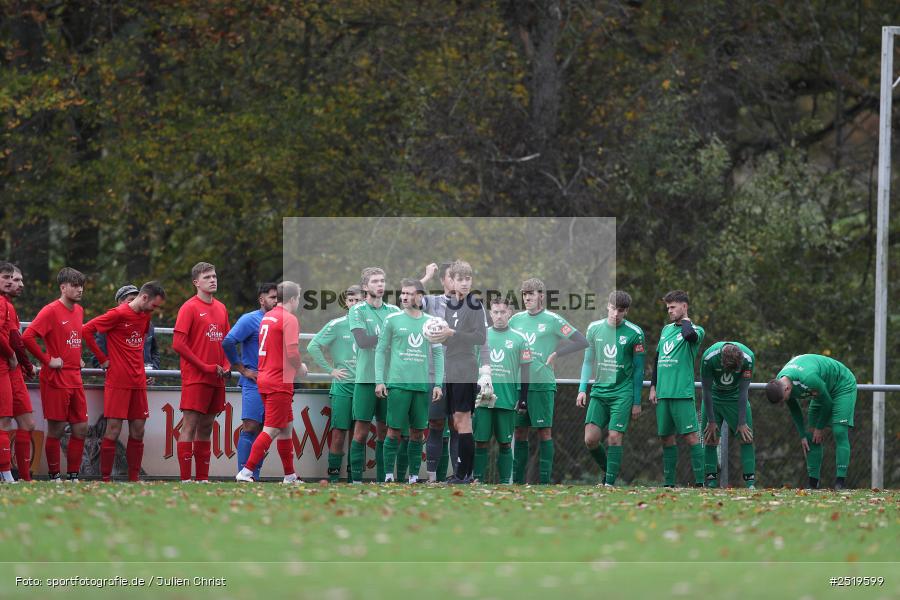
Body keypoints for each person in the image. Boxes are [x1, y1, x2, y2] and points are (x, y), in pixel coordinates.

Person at [83, 282, 166, 481]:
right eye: (154, 305)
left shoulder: (145, 317)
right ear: (144, 298)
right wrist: (102, 360)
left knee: (138, 429)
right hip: (118, 382)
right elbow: (86, 330)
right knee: (113, 429)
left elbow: (140, 346)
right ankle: (105, 479)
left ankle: (134, 478)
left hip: (138, 382)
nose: (154, 310)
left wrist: (146, 368)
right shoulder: (117, 314)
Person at [509, 278, 588, 484]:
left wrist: (557, 353)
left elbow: (582, 341)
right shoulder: (515, 320)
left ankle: (544, 483)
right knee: (519, 432)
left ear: (541, 296)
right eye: (524, 294)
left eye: (531, 294)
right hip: (518, 385)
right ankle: (517, 482)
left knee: (544, 432)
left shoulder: (553, 320)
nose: (527, 298)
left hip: (542, 383)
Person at [423, 260, 488, 483]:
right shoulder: (451, 305)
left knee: (463, 420)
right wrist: (438, 335)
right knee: (455, 422)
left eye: (467, 279)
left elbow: (480, 338)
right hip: (450, 366)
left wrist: (452, 334)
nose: (463, 283)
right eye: (459, 279)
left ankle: (464, 474)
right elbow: (449, 337)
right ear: (451, 280)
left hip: (465, 366)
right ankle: (462, 473)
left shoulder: (475, 304)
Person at [21, 267, 89, 482]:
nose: (80, 290)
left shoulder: (79, 311)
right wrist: (47, 360)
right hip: (55, 379)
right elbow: (28, 337)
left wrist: (76, 356)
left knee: (81, 428)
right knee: (57, 429)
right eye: (75, 286)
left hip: (75, 377)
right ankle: (54, 476)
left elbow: (71, 339)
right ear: (63, 287)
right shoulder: (50, 310)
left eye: (81, 286)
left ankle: (74, 475)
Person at [236, 281, 307, 483]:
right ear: (293, 299)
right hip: (279, 381)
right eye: (299, 298)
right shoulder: (289, 319)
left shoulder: (267, 316)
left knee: (286, 427)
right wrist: (301, 368)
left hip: (265, 377)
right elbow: (292, 352)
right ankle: (246, 471)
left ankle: (290, 475)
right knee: (272, 428)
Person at [375, 279, 444, 483]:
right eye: (402, 293)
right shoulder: (393, 319)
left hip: (421, 386)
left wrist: (438, 384)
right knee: (394, 431)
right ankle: (388, 475)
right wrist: (380, 380)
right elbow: (380, 351)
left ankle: (413, 477)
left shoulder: (431, 322)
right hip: (397, 384)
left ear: (420, 296)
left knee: (417, 433)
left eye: (409, 293)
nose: (404, 297)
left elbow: (438, 355)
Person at [576, 291, 645, 487]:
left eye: (620, 311)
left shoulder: (635, 333)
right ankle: (610, 468)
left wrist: (637, 402)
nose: (616, 314)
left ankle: (609, 483)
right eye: (613, 308)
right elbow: (588, 361)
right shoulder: (594, 329)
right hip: (599, 392)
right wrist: (582, 389)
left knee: (614, 437)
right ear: (608, 306)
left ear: (626, 311)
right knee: (590, 439)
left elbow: (639, 370)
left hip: (622, 393)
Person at [172, 262, 230, 483]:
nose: (213, 280)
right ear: (196, 282)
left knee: (207, 427)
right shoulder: (189, 307)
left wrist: (226, 365)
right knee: (190, 425)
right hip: (196, 377)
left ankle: (203, 479)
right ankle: (186, 479)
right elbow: (178, 343)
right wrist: (204, 367)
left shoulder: (221, 308)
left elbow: (226, 341)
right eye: (207, 277)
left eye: (214, 276)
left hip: (217, 378)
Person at [765, 354, 857, 490]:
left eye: (783, 399)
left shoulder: (809, 379)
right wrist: (802, 435)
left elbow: (828, 403)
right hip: (821, 391)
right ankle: (813, 483)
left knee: (839, 431)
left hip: (842, 385)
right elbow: (795, 409)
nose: (783, 402)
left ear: (787, 389)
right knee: (810, 435)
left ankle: (840, 482)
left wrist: (820, 428)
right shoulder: (781, 381)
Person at [348, 267, 400, 483]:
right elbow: (362, 341)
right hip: (365, 379)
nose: (380, 285)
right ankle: (356, 479)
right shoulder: (357, 310)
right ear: (365, 287)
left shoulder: (394, 311)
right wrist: (387, 340)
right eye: (375, 281)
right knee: (360, 431)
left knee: (385, 430)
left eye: (382, 281)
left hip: (389, 379)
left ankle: (383, 479)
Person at [649, 290, 706, 487]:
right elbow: (657, 359)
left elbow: (689, 336)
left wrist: (686, 320)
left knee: (691, 438)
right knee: (666, 438)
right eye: (668, 308)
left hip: (682, 393)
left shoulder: (696, 330)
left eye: (673, 307)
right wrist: (653, 387)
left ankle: (700, 483)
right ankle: (669, 484)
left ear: (684, 306)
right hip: (663, 393)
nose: (670, 311)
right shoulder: (665, 330)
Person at [307, 285, 362, 483]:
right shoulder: (337, 324)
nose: (355, 304)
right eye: (351, 300)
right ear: (346, 303)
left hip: (364, 386)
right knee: (339, 432)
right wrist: (331, 370)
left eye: (358, 300)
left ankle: (355, 477)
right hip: (343, 386)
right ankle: (334, 477)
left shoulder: (372, 325)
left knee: (359, 434)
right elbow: (313, 346)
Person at [223, 282, 278, 480]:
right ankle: (244, 475)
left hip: (275, 382)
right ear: (262, 300)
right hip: (254, 382)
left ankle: (253, 474)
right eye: (272, 297)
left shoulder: (282, 320)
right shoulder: (250, 319)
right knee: (251, 427)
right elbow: (228, 341)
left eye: (278, 297)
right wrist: (242, 369)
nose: (276, 300)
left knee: (267, 430)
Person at [473, 297, 531, 484]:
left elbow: (526, 371)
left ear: (509, 313)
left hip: (507, 399)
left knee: (505, 443)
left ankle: (505, 482)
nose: (499, 316)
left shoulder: (520, 339)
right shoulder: (481, 336)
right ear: (490, 314)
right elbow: (473, 365)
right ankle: (477, 480)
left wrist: (523, 399)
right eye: (495, 312)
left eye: (503, 312)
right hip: (482, 398)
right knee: (480, 442)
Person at [700, 341, 756, 488]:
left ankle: (750, 483)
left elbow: (744, 391)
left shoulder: (748, 358)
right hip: (714, 397)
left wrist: (742, 422)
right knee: (710, 437)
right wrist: (711, 421)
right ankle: (711, 482)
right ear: (722, 360)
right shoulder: (708, 358)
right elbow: (706, 391)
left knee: (747, 437)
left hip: (735, 397)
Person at [420, 261, 455, 482]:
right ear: (442, 280)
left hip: (460, 373)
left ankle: (460, 475)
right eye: (451, 277)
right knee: (436, 424)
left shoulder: (472, 306)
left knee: (459, 425)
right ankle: (433, 478)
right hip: (435, 375)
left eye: (460, 277)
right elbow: (409, 299)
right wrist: (426, 277)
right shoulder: (432, 302)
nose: (455, 281)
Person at [0, 263, 36, 481]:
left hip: (12, 369)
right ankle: (7, 475)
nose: (17, 283)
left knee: (27, 423)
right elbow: (15, 340)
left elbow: (14, 337)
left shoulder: (8, 305)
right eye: (11, 278)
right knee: (4, 421)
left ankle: (23, 477)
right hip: (6, 366)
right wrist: (21, 360)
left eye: (19, 279)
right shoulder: (4, 304)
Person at [91, 285, 161, 372]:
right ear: (120, 302)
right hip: (119, 379)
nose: (136, 302)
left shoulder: (147, 322)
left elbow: (155, 352)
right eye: (132, 299)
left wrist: (153, 371)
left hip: (145, 377)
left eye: (137, 298)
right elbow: (97, 358)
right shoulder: (109, 324)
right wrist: (113, 370)